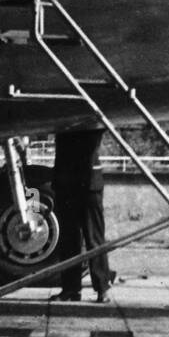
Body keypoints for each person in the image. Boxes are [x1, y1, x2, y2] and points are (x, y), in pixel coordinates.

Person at [52, 129, 116, 303]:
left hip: (89, 182)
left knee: (94, 238)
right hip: (66, 182)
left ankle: (102, 288)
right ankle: (70, 289)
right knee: (68, 239)